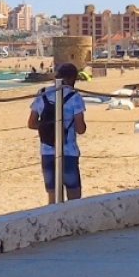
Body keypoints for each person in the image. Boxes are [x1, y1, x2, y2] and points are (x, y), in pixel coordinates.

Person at [28, 61, 89, 201]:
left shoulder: (43, 93)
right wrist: (63, 125)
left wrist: (47, 126)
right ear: (73, 78)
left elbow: (31, 123)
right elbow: (80, 129)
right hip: (69, 152)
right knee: (74, 195)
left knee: (52, 197)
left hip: (47, 151)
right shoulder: (75, 97)